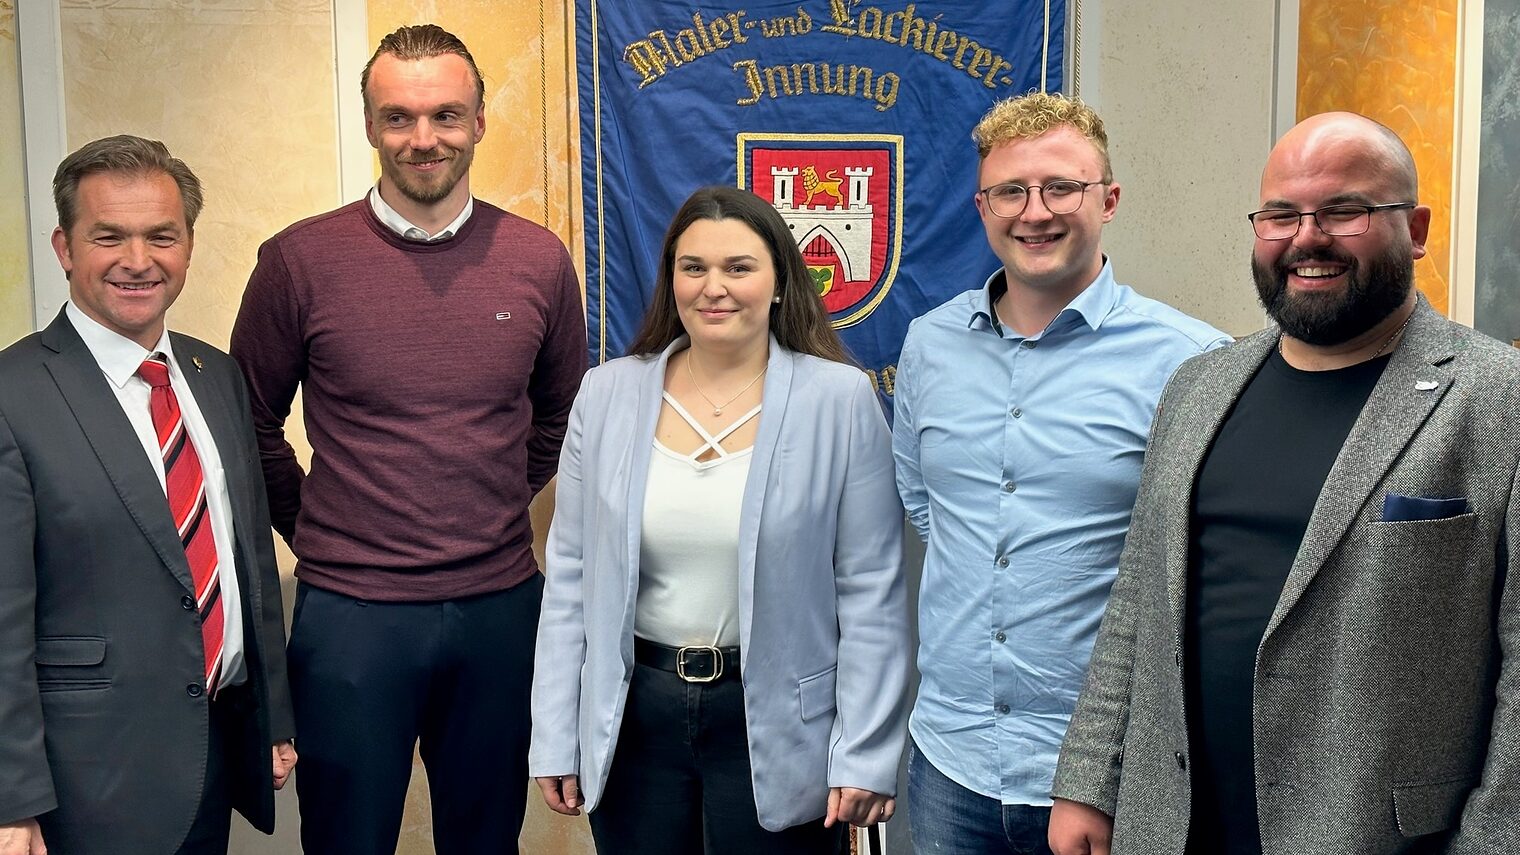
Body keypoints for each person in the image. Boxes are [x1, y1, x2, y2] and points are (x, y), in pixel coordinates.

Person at [1049, 111, 1520, 855]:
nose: (1307, 237)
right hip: (1173, 825)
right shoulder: (1199, 386)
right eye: (1281, 214)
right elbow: (1139, 596)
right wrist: (1087, 779)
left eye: (1344, 210)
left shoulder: (1499, 400)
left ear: (1417, 227)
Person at [229, 24, 586, 854]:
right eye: (399, 117)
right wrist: (320, 520)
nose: (423, 139)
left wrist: (496, 496)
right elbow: (246, 419)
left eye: (445, 115)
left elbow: (565, 412)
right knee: (347, 840)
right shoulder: (297, 261)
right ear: (369, 124)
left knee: (487, 838)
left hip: (498, 609)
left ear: (480, 121)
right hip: (351, 618)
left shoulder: (537, 260)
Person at [891, 92, 1230, 853]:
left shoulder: (1191, 360)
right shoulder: (929, 344)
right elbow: (927, 507)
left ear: (1108, 200)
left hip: (1103, 773)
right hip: (951, 761)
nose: (1034, 212)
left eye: (1061, 188)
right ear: (982, 206)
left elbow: (1191, 563)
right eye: (1010, 190)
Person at [528, 185, 909, 854]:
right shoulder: (607, 393)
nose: (714, 287)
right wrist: (556, 732)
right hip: (635, 719)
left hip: (781, 724)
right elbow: (570, 580)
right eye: (694, 266)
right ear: (671, 278)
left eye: (739, 267)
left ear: (780, 282)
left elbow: (872, 590)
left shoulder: (839, 400)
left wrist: (865, 751)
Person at [0, 135, 295, 855]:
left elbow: (248, 559)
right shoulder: (12, 394)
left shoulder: (216, 375)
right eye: (109, 236)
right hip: (84, 786)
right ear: (65, 246)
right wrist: (12, 803)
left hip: (213, 754)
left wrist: (273, 718)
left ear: (188, 245)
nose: (139, 259)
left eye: (161, 235)